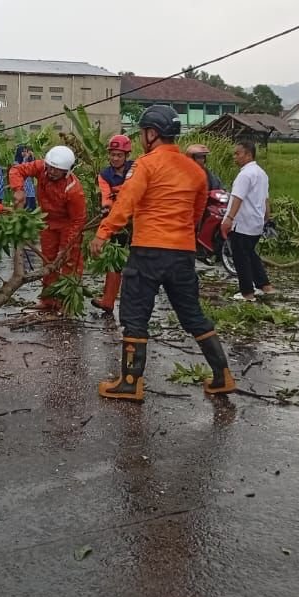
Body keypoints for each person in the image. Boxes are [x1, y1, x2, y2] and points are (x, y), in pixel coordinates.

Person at [91, 105, 236, 401]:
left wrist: (103, 233)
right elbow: (197, 212)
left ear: (152, 133)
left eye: (143, 132)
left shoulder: (146, 164)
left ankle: (130, 383)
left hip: (148, 251)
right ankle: (223, 376)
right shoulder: (195, 171)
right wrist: (184, 238)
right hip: (182, 254)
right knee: (192, 315)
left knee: (134, 314)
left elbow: (126, 202)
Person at [10, 145, 87, 313]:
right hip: (48, 222)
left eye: (56, 170)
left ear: (66, 171)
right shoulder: (41, 167)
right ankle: (48, 300)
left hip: (68, 225)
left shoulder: (74, 190)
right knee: (49, 260)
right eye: (50, 167)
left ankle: (67, 302)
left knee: (69, 262)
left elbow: (78, 220)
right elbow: (17, 170)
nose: (51, 172)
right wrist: (18, 189)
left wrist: (66, 247)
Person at [221, 140, 274, 302]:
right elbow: (265, 199)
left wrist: (229, 218)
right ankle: (265, 285)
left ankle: (247, 293)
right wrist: (267, 218)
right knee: (250, 254)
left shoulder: (244, 175)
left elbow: (237, 198)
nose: (235, 157)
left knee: (241, 258)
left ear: (248, 155)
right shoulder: (261, 173)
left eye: (238, 153)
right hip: (256, 223)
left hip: (242, 223)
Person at [93, 134, 134, 315]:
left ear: (126, 155)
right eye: (113, 154)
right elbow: (106, 195)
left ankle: (133, 304)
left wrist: (120, 193)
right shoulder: (105, 175)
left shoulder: (136, 169)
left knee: (139, 262)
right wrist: (107, 208)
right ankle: (108, 301)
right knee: (115, 260)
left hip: (139, 221)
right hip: (118, 221)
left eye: (119, 155)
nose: (115, 158)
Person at [13, 145, 38, 211]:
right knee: (24, 204)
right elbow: (21, 169)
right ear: (19, 152)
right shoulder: (16, 162)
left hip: (29, 185)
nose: (25, 153)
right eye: (23, 151)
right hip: (22, 185)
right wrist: (25, 159)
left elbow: (34, 166)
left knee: (31, 203)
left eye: (25, 151)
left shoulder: (27, 160)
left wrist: (32, 156)